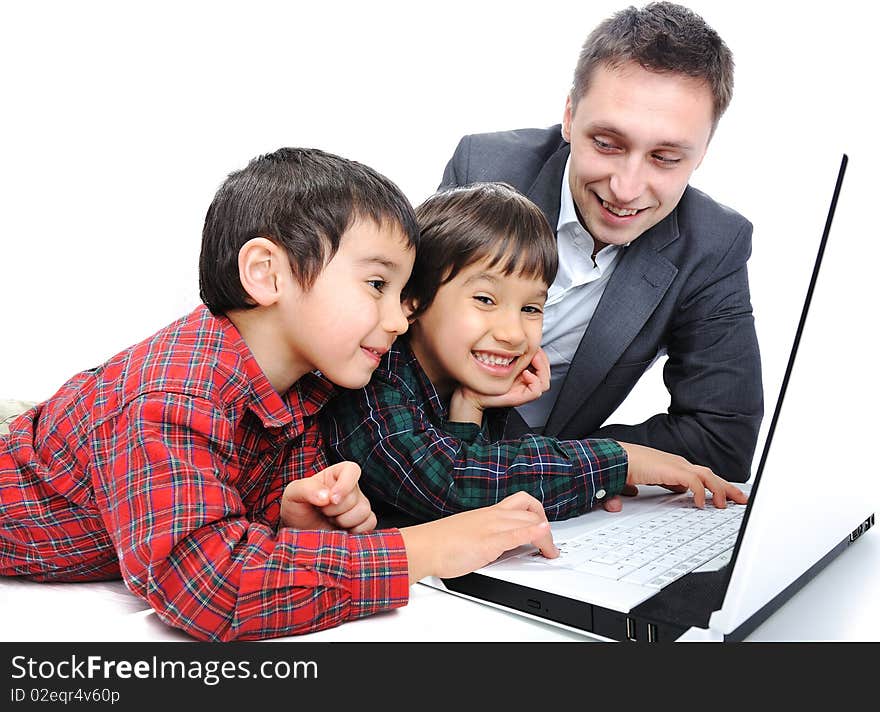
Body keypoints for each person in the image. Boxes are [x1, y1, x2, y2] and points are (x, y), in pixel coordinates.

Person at [0, 148, 559, 642]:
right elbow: (206, 585)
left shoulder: (304, 388)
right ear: (267, 274)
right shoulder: (173, 394)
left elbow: (224, 514)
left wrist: (287, 516)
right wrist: (424, 550)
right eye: (377, 285)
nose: (396, 321)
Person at [439, 2, 763, 483]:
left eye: (666, 157)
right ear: (569, 117)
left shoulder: (714, 245)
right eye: (607, 144)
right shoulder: (484, 171)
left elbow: (722, 437)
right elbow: (400, 358)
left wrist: (587, 467)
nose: (626, 189)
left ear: (703, 152)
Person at [323, 182, 747, 524]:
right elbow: (452, 486)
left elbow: (474, 483)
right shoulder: (374, 378)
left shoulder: (464, 383)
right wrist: (618, 459)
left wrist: (469, 405)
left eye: (530, 308)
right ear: (413, 299)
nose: (512, 333)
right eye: (486, 300)